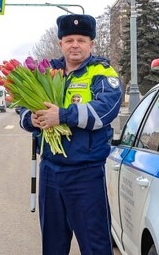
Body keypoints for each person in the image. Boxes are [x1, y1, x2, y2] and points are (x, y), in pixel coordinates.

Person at [18, 13, 123, 255]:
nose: (75, 45)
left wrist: (63, 116)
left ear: (91, 44)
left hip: (85, 174)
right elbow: (22, 107)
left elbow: (104, 111)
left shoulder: (101, 72)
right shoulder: (46, 72)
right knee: (52, 246)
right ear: (61, 44)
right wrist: (31, 119)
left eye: (81, 40)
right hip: (50, 172)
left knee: (95, 245)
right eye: (69, 40)